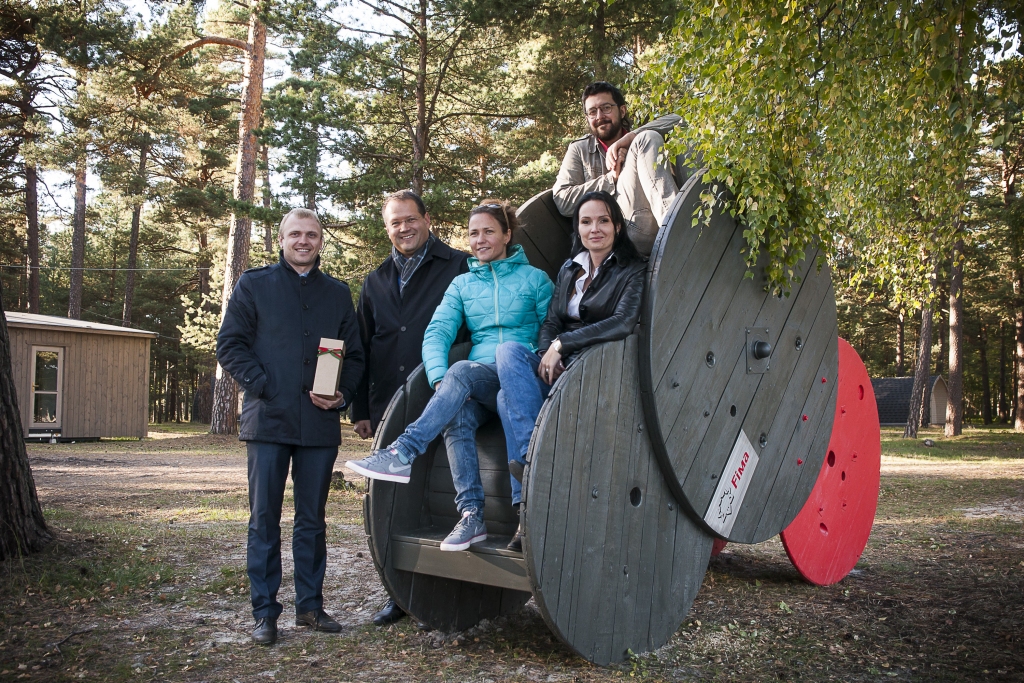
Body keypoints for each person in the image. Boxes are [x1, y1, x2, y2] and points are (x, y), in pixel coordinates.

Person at [346, 201, 553, 552]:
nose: (480, 239)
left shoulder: (536, 279)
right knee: (456, 412)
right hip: (482, 378)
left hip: (523, 373)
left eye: (489, 231)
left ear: (506, 234)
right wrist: (441, 379)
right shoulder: (462, 285)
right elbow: (437, 332)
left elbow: (552, 327)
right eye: (473, 233)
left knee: (495, 377)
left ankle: (405, 451)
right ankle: (471, 514)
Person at [216, 208, 365, 646]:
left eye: (312, 234)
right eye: (295, 234)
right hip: (268, 421)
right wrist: (264, 385)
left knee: (312, 521)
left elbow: (352, 356)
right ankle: (264, 613)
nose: (304, 241)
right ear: (280, 240)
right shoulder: (254, 285)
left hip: (318, 426)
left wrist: (341, 396)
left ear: (321, 241)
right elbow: (230, 345)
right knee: (264, 520)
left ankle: (310, 607)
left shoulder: (337, 294)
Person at [495, 192, 646, 549]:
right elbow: (552, 320)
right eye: (586, 221)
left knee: (504, 400)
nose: (594, 229)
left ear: (618, 226)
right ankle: (534, 477)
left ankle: (528, 491)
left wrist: (564, 345)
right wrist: (550, 350)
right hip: (560, 365)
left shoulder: (633, 268)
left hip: (597, 369)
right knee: (508, 354)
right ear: (577, 228)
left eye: (603, 220)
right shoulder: (570, 267)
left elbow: (623, 322)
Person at [351, 189, 469, 626]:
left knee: (444, 496)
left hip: (441, 397)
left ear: (427, 218)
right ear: (387, 229)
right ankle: (399, 595)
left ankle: (447, 593)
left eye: (410, 219)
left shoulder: (457, 265)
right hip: (388, 404)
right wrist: (360, 407)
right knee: (389, 504)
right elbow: (361, 348)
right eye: (395, 222)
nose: (403, 228)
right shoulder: (375, 280)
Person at [553, 81, 696, 256]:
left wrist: (628, 139)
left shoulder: (638, 143)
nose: (599, 116)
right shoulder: (579, 150)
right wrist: (610, 179)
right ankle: (682, 231)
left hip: (652, 221)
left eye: (606, 108)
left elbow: (682, 119)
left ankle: (678, 225)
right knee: (647, 138)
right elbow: (562, 200)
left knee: (650, 138)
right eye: (592, 112)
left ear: (622, 110)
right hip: (618, 235)